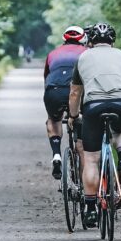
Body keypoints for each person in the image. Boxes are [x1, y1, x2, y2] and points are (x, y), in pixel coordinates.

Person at [68, 22, 121, 228]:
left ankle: (90, 209)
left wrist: (73, 115)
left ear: (91, 41)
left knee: (90, 158)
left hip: (93, 105)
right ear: (112, 41)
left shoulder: (83, 58)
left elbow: (74, 93)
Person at [43, 26, 87, 179]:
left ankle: (56, 154)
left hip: (53, 91)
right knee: (80, 124)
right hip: (75, 91)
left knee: (53, 120)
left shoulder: (52, 53)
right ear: (83, 39)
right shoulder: (86, 53)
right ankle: (85, 187)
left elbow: (46, 77)